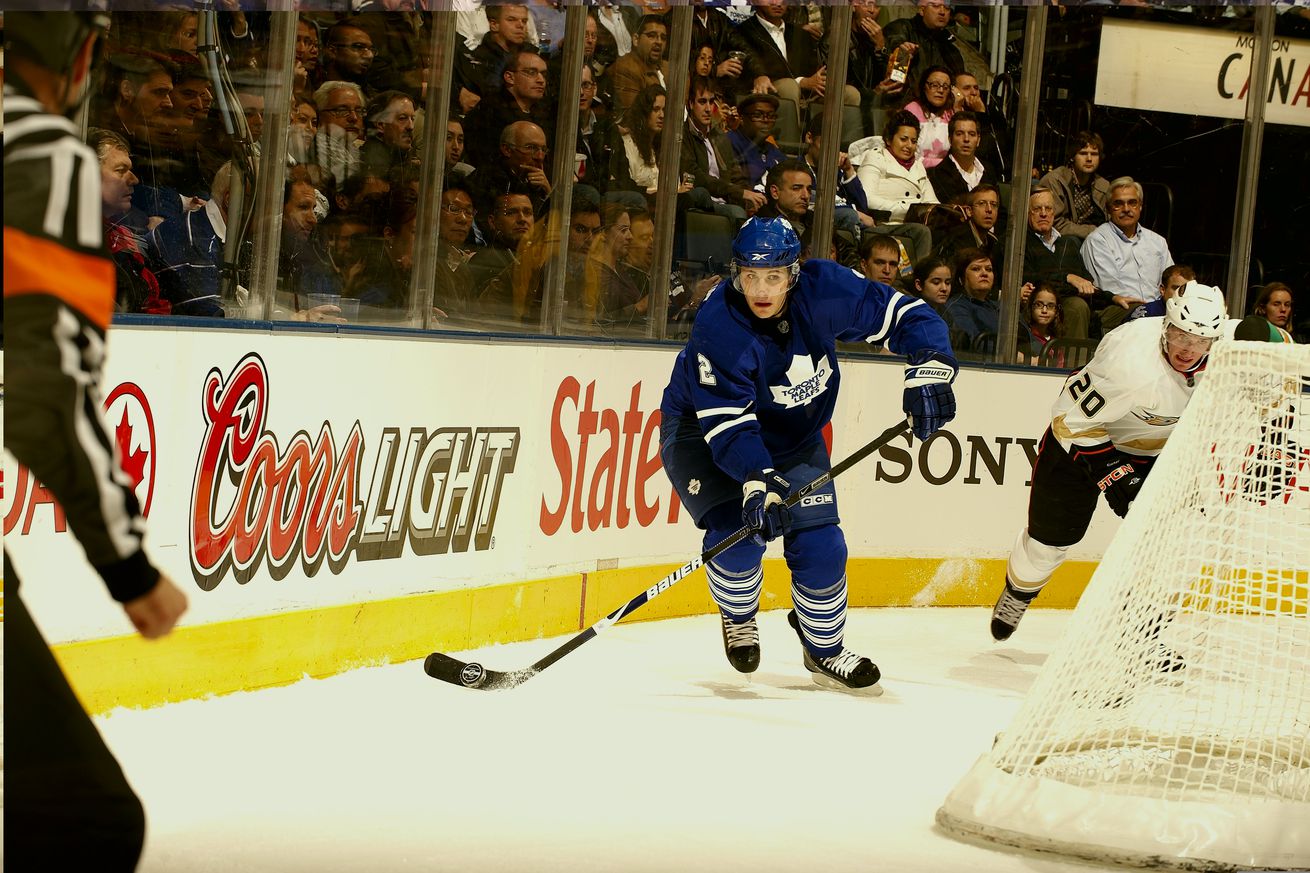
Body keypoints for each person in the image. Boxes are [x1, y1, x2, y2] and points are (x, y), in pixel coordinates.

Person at [5, 12, 189, 870]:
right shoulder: (40, 153)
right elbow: (46, 396)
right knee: (87, 820)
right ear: (77, 54)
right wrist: (126, 563)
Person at [658, 217, 957, 692]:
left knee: (822, 547)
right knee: (737, 538)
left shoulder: (825, 289)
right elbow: (728, 426)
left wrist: (932, 366)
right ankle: (738, 615)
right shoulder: (719, 327)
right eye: (749, 276)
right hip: (704, 432)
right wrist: (758, 480)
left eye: (773, 276)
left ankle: (824, 650)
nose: (760, 289)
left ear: (794, 273)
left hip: (794, 437)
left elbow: (908, 316)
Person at [989, 282, 1227, 642]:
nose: (1188, 349)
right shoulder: (1128, 357)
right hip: (1081, 443)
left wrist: (1279, 433)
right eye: (1180, 334)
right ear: (1166, 325)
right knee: (1047, 546)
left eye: (1200, 341)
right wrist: (1114, 474)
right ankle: (1019, 593)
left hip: (1152, 452)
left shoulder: (1229, 349)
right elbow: (1069, 422)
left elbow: (1279, 354)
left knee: (1166, 543)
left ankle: (1146, 630)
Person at [1081, 176, 1175, 336]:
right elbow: (1110, 289)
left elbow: (1172, 281)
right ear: (1108, 208)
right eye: (1118, 204)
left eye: (1132, 202)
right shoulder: (1098, 240)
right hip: (1117, 309)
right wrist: (1152, 308)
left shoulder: (1157, 242)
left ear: (1140, 206)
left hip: (1156, 310)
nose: (1126, 208)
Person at [1038, 132, 1110, 241]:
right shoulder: (1054, 181)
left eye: (1094, 154)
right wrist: (1093, 231)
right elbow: (1054, 223)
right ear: (1072, 157)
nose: (1089, 158)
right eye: (1083, 153)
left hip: (1094, 241)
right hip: (1057, 240)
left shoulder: (1104, 186)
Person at [1018, 284, 1065, 365]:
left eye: (1050, 306)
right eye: (1039, 305)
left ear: (1057, 312)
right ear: (1031, 308)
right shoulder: (1024, 337)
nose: (1044, 310)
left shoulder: (1056, 342)